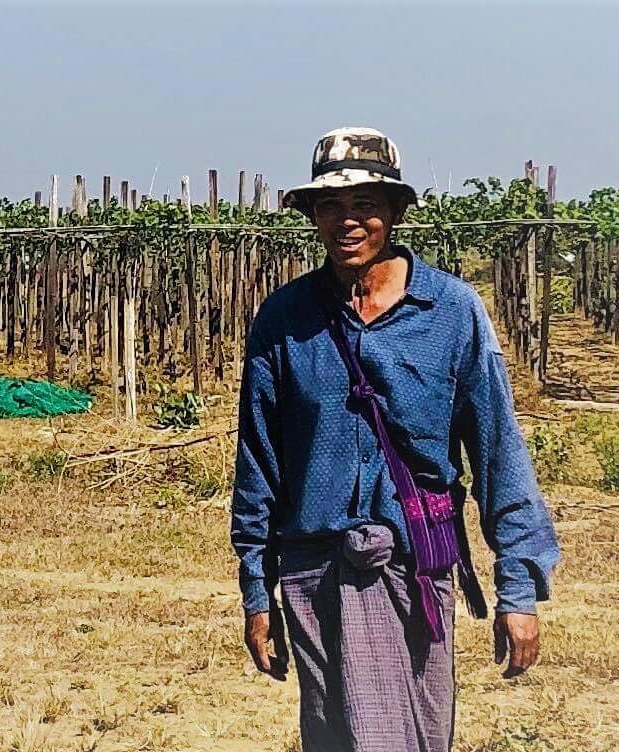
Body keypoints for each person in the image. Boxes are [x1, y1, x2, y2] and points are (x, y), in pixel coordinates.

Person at [230, 127, 560, 751]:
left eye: (365, 206)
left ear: (396, 213)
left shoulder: (452, 312)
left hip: (415, 568)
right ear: (313, 217)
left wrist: (517, 587)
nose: (347, 222)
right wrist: (256, 588)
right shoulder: (283, 320)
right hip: (314, 572)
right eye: (330, 207)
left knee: (414, 734)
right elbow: (259, 466)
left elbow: (498, 455)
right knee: (334, 736)